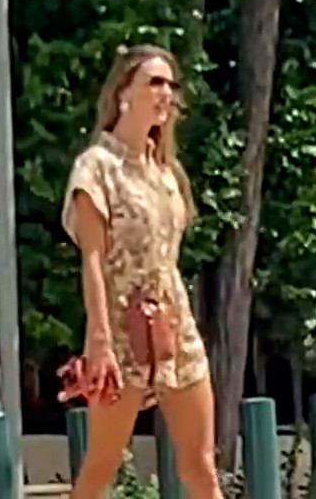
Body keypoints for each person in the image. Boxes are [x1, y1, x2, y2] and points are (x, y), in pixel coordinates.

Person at [58, 44, 222, 499]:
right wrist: (99, 341)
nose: (166, 93)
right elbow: (93, 259)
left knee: (201, 465)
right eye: (154, 82)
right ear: (123, 93)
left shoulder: (166, 171)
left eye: (171, 85)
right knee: (101, 466)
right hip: (120, 328)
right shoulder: (97, 167)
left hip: (173, 326)